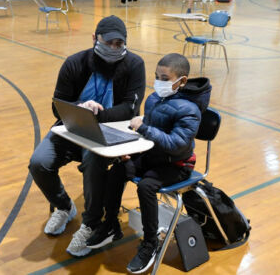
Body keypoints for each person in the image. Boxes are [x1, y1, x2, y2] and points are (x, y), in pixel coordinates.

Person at [28, 15, 146, 257]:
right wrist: (81, 107)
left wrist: (98, 115)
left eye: (119, 44)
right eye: (108, 42)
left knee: (94, 160)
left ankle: (91, 223)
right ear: (95, 38)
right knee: (39, 163)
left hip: (112, 132)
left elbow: (130, 109)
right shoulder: (75, 63)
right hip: (73, 129)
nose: (114, 48)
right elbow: (57, 106)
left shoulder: (134, 64)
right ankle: (64, 206)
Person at [85, 53, 211, 274]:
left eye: (164, 77)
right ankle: (111, 225)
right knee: (118, 169)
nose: (158, 82)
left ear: (181, 81)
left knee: (146, 187)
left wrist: (143, 127)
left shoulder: (190, 111)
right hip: (153, 158)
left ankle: (150, 243)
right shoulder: (154, 99)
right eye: (156, 76)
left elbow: (176, 145)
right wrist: (130, 152)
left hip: (177, 166)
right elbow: (149, 137)